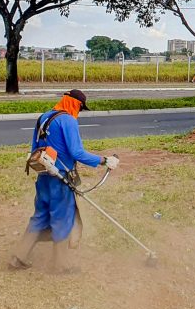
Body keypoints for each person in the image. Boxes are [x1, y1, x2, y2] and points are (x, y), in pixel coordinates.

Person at [9, 89, 118, 272]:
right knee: (62, 218)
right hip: (60, 178)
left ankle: (18, 257)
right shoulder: (68, 120)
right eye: (80, 108)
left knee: (39, 216)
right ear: (76, 104)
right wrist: (104, 160)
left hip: (43, 176)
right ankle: (59, 265)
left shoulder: (44, 117)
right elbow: (77, 152)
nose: (79, 112)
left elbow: (35, 149)